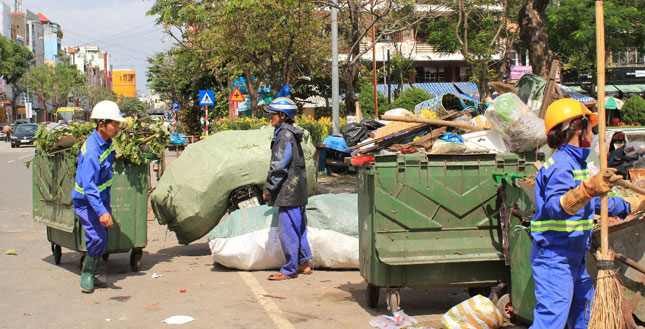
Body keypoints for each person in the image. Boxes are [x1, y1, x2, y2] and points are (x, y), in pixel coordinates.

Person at [530, 98, 645, 328]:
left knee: (584, 315)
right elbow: (556, 207)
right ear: (577, 128)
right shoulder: (562, 165)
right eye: (590, 129)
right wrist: (586, 189)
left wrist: (629, 205)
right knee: (551, 320)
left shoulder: (576, 164)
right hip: (555, 257)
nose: (592, 135)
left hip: (573, 257)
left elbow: (591, 203)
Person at [71, 100, 125, 293]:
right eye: (115, 125)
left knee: (102, 236)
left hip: (100, 200)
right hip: (87, 202)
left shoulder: (105, 143)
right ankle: (86, 274)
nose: (118, 128)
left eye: (118, 125)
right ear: (101, 125)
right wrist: (102, 211)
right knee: (97, 238)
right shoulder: (92, 150)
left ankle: (92, 273)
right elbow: (89, 186)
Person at [262, 97, 312, 281]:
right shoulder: (291, 133)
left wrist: (269, 187)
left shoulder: (284, 135)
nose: (271, 118)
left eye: (273, 115)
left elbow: (279, 165)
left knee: (287, 230)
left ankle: (290, 269)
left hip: (288, 190)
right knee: (299, 228)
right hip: (297, 188)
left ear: (282, 116)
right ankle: (304, 263)